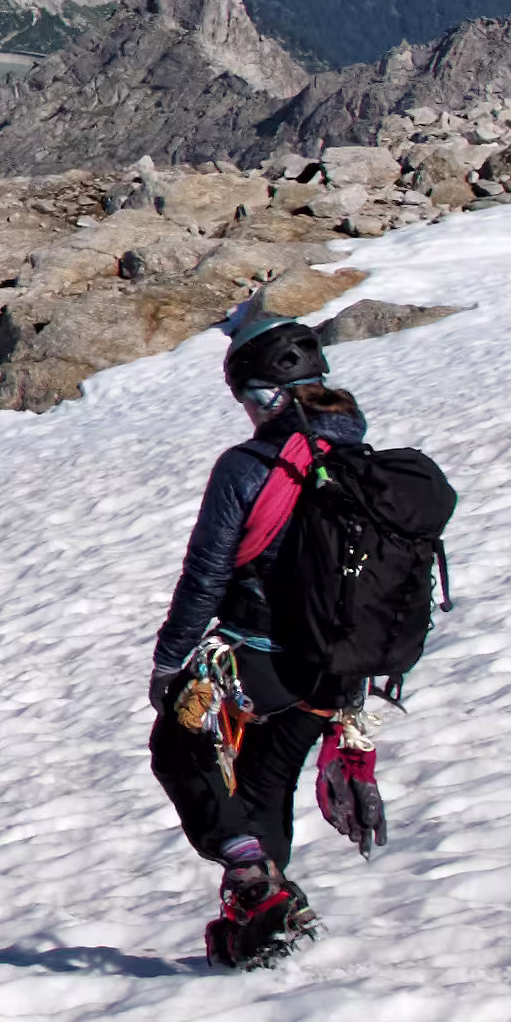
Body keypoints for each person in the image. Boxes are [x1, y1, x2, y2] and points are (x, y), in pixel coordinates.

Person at [145, 314, 376, 969]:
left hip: (261, 659)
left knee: (177, 747)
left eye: (245, 398)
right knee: (263, 784)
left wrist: (170, 664)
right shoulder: (360, 462)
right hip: (337, 669)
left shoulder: (247, 467)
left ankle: (254, 887)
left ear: (261, 395)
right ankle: (262, 925)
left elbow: (207, 575)